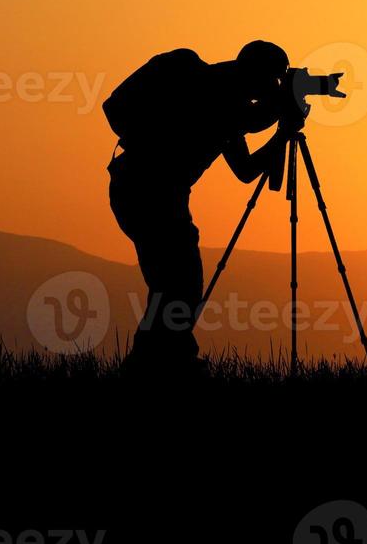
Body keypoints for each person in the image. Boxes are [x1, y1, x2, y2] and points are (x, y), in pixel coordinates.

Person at [103, 41, 299, 375]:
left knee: (172, 284)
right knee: (179, 283)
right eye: (270, 82)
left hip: (145, 192)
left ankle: (156, 363)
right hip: (148, 192)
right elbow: (248, 120)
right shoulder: (208, 89)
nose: (270, 90)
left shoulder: (225, 102)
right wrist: (284, 112)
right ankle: (160, 364)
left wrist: (282, 131)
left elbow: (246, 170)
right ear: (255, 76)